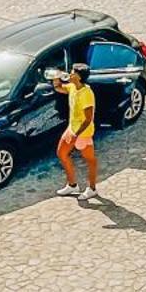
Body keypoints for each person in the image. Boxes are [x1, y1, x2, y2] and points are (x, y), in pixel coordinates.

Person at [52, 60, 98, 201]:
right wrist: (55, 78)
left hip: (83, 133)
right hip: (72, 128)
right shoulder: (72, 86)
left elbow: (88, 119)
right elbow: (59, 88)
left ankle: (92, 189)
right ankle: (72, 185)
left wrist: (76, 135)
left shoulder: (86, 94)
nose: (70, 73)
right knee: (61, 153)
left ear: (78, 77)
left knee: (90, 160)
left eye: (72, 72)